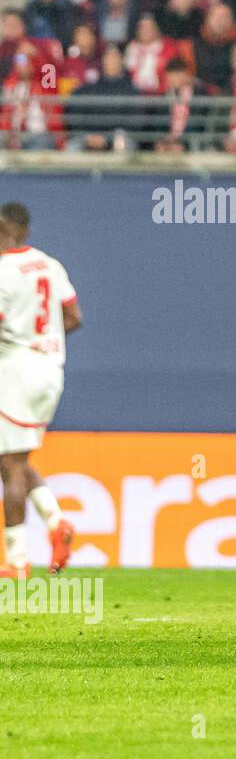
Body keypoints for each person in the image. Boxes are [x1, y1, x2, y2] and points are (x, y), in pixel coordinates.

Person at [0, 203, 80, 578]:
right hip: (50, 371)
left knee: (10, 466)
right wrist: (43, 340)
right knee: (16, 459)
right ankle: (56, 520)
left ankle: (16, 561)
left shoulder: (3, 270)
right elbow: (73, 317)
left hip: (16, 369)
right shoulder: (50, 264)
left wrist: (23, 341)